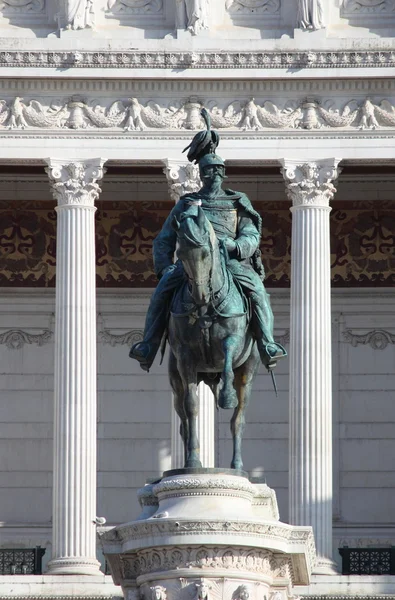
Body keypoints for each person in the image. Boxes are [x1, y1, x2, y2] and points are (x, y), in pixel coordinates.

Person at [129, 152, 286, 373]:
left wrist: (235, 246)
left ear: (224, 173)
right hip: (191, 265)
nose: (214, 174)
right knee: (162, 292)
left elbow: (251, 235)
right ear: (201, 174)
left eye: (218, 169)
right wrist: (165, 268)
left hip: (229, 263)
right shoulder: (187, 204)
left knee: (258, 291)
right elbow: (164, 239)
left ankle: (268, 343)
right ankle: (148, 344)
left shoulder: (237, 202)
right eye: (209, 170)